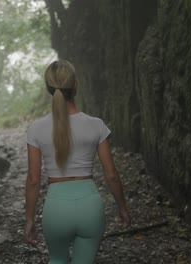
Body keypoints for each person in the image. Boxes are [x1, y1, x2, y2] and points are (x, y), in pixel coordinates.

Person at [24, 59, 131, 264]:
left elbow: (34, 179)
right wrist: (122, 207)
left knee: (56, 260)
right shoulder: (96, 125)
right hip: (90, 207)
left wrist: (29, 219)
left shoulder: (36, 129)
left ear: (48, 89)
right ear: (75, 85)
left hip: (56, 210)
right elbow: (111, 175)